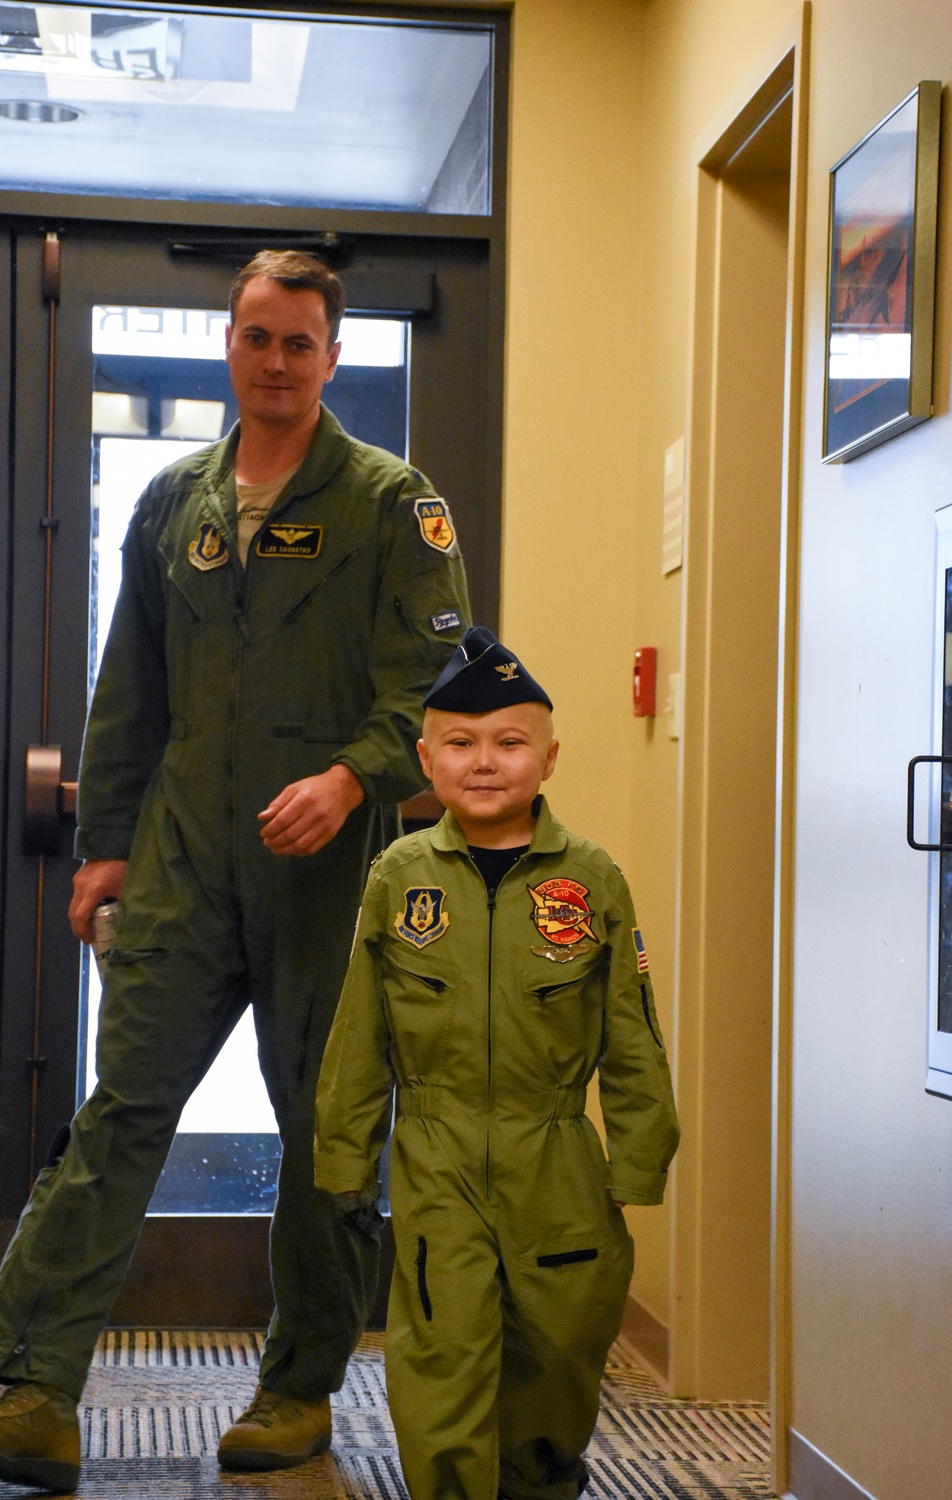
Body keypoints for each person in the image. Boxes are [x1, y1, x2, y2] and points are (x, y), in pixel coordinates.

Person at [0, 251, 470, 1494]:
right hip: (179, 866)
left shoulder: (389, 502)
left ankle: (299, 1386)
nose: (275, 362)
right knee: (121, 1113)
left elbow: (433, 685)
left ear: (331, 355)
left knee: (324, 1138)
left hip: (325, 877)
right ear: (229, 343)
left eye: (299, 343)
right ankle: (31, 1383)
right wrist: (105, 845)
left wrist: (353, 779)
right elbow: (129, 695)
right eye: (257, 337)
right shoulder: (173, 504)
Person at [314, 626, 680, 1500]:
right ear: (426, 760)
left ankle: (540, 1481)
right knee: (442, 1356)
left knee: (558, 1350)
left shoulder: (591, 881)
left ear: (548, 759)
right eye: (462, 744)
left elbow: (632, 1032)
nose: (486, 763)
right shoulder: (399, 878)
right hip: (436, 1157)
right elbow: (360, 1030)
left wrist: (640, 1153)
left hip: (555, 1159)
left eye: (510, 743)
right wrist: (343, 1154)